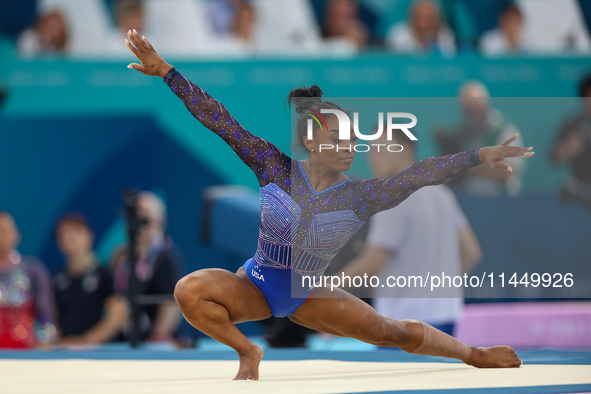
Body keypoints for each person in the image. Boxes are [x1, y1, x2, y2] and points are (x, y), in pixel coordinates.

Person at [124, 29, 533, 379]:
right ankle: (248, 350)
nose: (348, 147)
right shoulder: (273, 167)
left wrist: (478, 156)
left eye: (352, 139)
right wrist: (166, 72)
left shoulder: (360, 196)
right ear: (310, 141)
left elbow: (421, 173)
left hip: (309, 294)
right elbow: (219, 120)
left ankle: (474, 354)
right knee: (188, 291)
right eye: (337, 139)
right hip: (255, 284)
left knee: (393, 333)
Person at [339, 129, 482, 337]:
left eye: (381, 148)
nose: (373, 156)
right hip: (446, 318)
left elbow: (372, 263)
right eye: (371, 150)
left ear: (406, 150)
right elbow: (471, 253)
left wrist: (321, 290)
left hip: (403, 324)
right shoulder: (442, 193)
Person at [111, 191, 183, 342]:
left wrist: (157, 335)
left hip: (155, 343)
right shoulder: (123, 256)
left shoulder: (165, 257)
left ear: (160, 220)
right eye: (136, 215)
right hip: (128, 339)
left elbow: (172, 302)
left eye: (145, 216)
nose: (140, 223)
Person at [434, 80, 526, 196]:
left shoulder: (506, 130)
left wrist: (468, 166)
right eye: (468, 110)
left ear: (485, 105)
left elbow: (508, 171)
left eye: (475, 109)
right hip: (468, 196)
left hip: (501, 197)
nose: (472, 115)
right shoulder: (459, 132)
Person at [53, 213, 128, 345]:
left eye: (76, 232)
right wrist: (59, 342)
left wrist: (86, 341)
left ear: (89, 235)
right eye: (64, 235)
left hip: (95, 350)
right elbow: (51, 316)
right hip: (64, 350)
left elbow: (117, 316)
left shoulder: (105, 275)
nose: (70, 238)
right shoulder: (57, 277)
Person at [0, 210, 57, 348]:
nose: (1, 237)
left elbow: (46, 314)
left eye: (4, 231)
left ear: (16, 234)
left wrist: (45, 340)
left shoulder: (33, 269)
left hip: (26, 352)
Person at [550, 74, 591, 209]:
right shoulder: (572, 124)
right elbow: (554, 157)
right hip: (580, 185)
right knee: (568, 188)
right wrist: (567, 148)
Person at [385, 0, 456, 57]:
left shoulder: (446, 34)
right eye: (420, 18)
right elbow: (394, 63)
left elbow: (450, 61)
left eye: (429, 19)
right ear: (412, 18)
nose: (424, 24)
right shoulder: (398, 34)